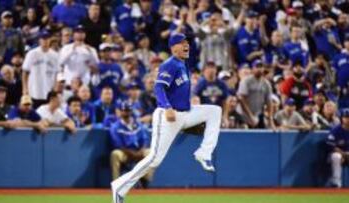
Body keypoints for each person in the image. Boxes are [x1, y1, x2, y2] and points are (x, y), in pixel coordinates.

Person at [111, 33, 222, 203]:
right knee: (154, 159)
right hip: (168, 116)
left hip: (185, 113)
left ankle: (204, 152)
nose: (186, 45)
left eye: (187, 42)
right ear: (173, 47)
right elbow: (158, 88)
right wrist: (167, 107)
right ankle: (119, 187)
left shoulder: (183, 64)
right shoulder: (169, 64)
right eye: (182, 43)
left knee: (214, 111)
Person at [110, 101, 152, 187]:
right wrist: (133, 154)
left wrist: (141, 151)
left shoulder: (138, 124)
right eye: (124, 110)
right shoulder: (116, 126)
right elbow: (118, 144)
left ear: (131, 111)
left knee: (150, 153)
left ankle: (145, 180)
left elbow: (144, 139)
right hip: (125, 152)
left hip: (138, 151)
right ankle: (117, 183)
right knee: (115, 154)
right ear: (120, 111)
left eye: (128, 110)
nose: (126, 112)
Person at [22, 30, 59, 109]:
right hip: (33, 90)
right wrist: (25, 88)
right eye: (43, 39)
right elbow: (25, 72)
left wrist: (55, 88)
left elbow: (57, 73)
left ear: (50, 40)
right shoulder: (32, 53)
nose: (45, 41)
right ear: (39, 40)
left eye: (47, 39)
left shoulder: (55, 55)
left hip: (48, 90)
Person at [237, 59, 275, 129]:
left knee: (262, 134)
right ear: (252, 69)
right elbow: (241, 99)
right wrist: (250, 116)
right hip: (243, 114)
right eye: (257, 67)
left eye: (261, 67)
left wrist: (270, 119)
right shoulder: (246, 81)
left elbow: (269, 102)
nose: (259, 69)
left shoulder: (266, 83)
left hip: (258, 114)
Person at [326, 108, 349, 188]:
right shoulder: (335, 130)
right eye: (346, 117)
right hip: (335, 154)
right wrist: (343, 154)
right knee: (336, 156)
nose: (348, 119)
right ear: (341, 118)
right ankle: (336, 182)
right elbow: (331, 146)